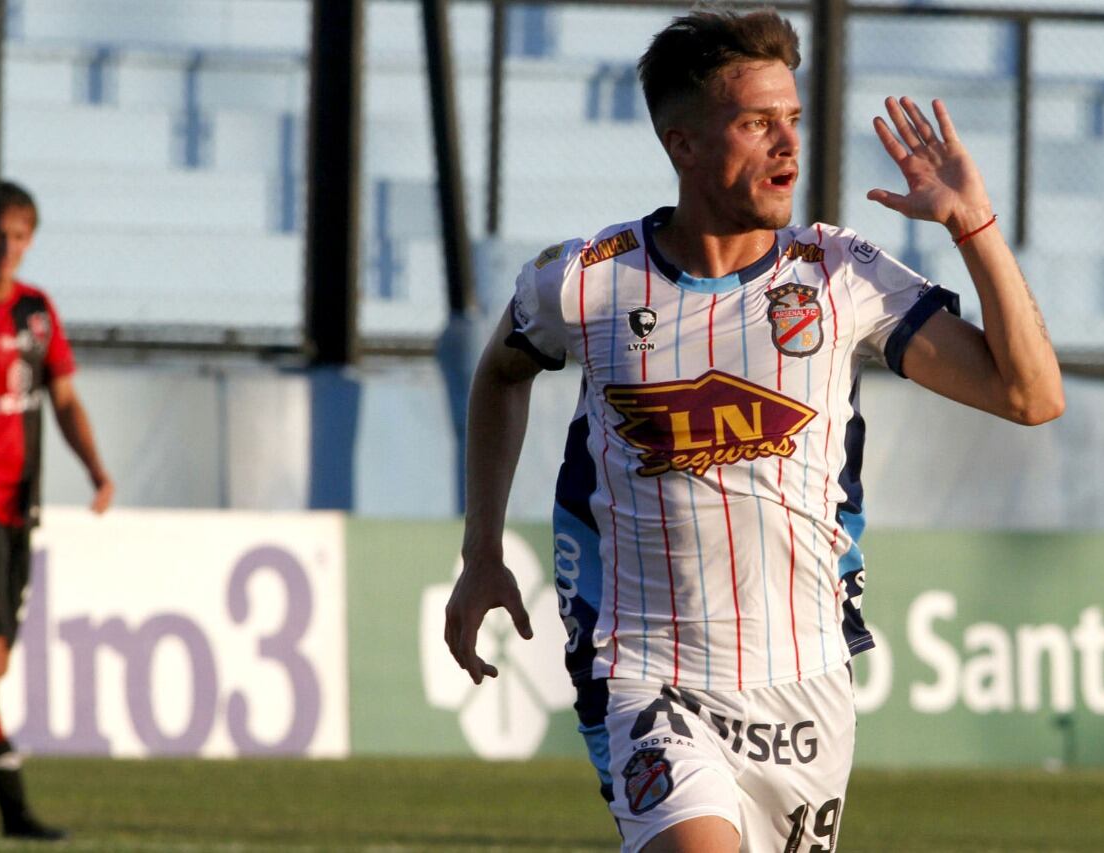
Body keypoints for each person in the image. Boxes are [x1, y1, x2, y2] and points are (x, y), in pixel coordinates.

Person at [445, 9, 1063, 852]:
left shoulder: (842, 276)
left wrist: (973, 225)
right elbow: (500, 372)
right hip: (646, 675)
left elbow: (1029, 395)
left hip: (805, 686)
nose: (787, 146)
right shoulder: (585, 283)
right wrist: (481, 548)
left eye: (794, 120)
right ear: (683, 144)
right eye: (756, 122)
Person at [0, 181, 114, 841]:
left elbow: (63, 399)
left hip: (16, 505)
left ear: (30, 240)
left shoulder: (37, 312)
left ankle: (13, 814)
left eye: (18, 236)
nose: (6, 247)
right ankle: (15, 811)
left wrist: (95, 467)